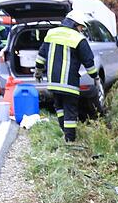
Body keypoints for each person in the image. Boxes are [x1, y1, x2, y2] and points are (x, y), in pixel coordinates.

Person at [35, 10, 95, 142]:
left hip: (53, 82)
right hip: (69, 83)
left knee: (59, 107)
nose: (81, 30)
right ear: (75, 24)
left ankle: (65, 133)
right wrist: (95, 76)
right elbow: (88, 61)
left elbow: (41, 56)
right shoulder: (78, 39)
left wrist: (38, 71)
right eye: (81, 27)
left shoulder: (51, 33)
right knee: (70, 110)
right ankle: (70, 140)